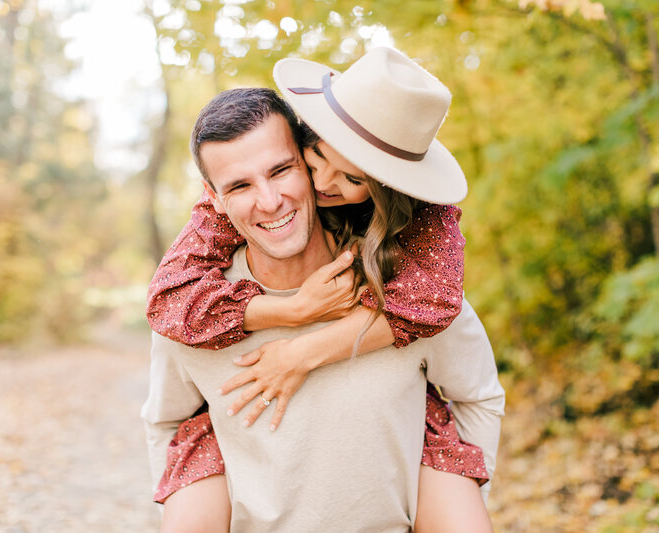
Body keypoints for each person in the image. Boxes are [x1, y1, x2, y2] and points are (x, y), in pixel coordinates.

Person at [142, 83, 504, 532]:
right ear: (212, 197)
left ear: (304, 161)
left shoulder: (412, 283)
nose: (270, 201)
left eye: (281, 170)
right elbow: (167, 425)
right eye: (239, 185)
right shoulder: (192, 311)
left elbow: (479, 397)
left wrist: (455, 498)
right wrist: (290, 312)